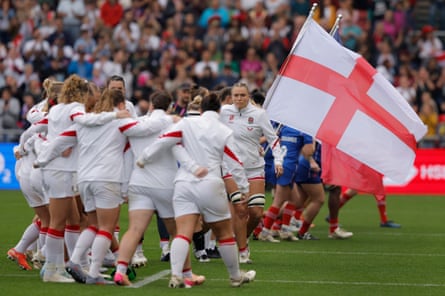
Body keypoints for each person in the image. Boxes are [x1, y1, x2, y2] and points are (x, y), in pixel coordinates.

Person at [136, 92, 256, 288]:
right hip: (211, 182)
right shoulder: (223, 130)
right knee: (225, 233)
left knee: (183, 232)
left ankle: (176, 276)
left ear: (200, 109)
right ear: (219, 110)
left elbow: (164, 140)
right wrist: (243, 189)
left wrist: (144, 158)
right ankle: (235, 276)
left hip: (183, 183)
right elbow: (234, 161)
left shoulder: (186, 123)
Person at [36, 89, 132, 284]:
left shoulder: (83, 124)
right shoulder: (121, 123)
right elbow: (141, 135)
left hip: (84, 180)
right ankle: (94, 272)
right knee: (106, 227)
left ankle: (74, 261)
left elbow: (59, 141)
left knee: (93, 224)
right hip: (108, 178)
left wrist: (41, 160)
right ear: (121, 105)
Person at [220, 82, 284, 263]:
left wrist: (278, 161)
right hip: (232, 170)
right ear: (231, 97)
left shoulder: (259, 114)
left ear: (248, 97)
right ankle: (242, 251)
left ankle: (243, 238)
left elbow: (273, 140)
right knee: (240, 210)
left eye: (242, 95)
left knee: (255, 213)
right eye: (236, 95)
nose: (239, 98)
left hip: (254, 168)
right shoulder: (224, 112)